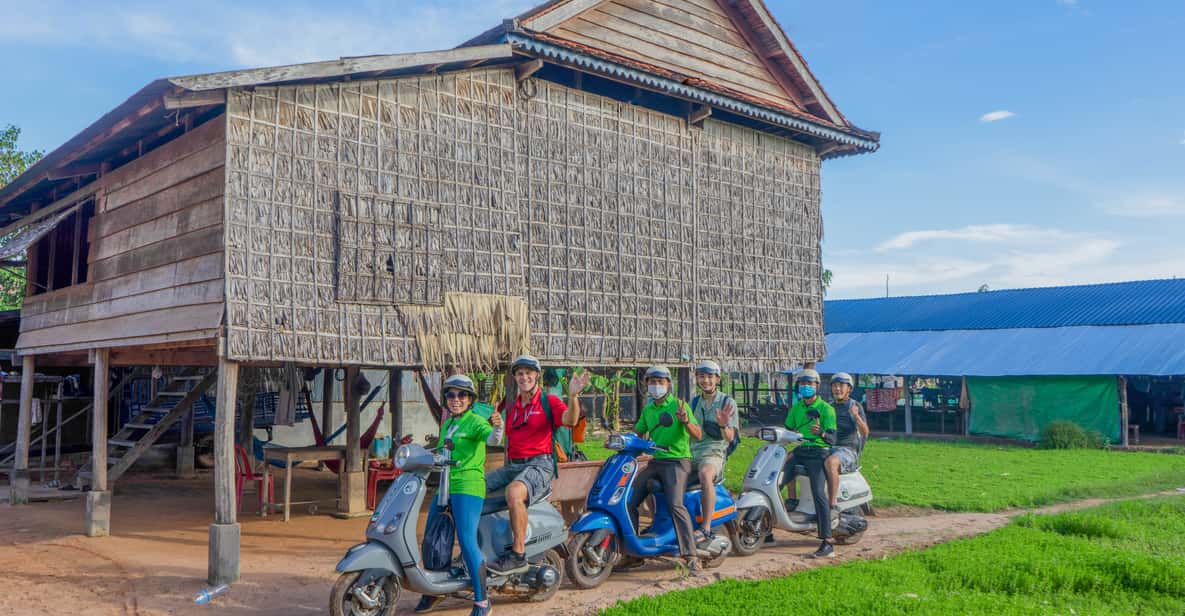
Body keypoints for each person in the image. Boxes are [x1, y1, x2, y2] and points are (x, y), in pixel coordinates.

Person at [485, 354, 586, 576]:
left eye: (529, 373)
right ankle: (478, 548)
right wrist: (496, 425)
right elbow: (497, 438)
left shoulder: (549, 401)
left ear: (537, 375)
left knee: (514, 493)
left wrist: (573, 395)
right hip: (514, 466)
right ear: (515, 377)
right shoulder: (512, 407)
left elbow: (570, 420)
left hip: (540, 464)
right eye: (520, 373)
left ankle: (518, 555)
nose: (524, 377)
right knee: (473, 486)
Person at [416, 375, 502, 616]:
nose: (456, 399)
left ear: (470, 399)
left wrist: (498, 426)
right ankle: (434, 590)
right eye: (451, 395)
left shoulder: (475, 421)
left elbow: (492, 438)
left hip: (467, 485)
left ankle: (483, 602)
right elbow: (442, 452)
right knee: (432, 536)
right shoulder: (447, 424)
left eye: (462, 395)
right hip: (445, 485)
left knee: (466, 540)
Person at [628, 366, 704, 571]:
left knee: (675, 505)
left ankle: (691, 554)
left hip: (677, 461)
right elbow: (637, 432)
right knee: (629, 500)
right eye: (652, 381)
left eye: (660, 381)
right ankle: (633, 552)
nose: (656, 385)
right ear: (646, 384)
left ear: (669, 384)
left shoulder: (679, 405)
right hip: (656, 461)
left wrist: (685, 421)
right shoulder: (648, 410)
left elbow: (697, 434)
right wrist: (622, 439)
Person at [780, 368, 838, 558]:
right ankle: (767, 528)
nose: (806, 386)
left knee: (818, 492)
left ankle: (827, 541)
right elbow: (787, 430)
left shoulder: (826, 409)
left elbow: (832, 439)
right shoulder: (796, 408)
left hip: (818, 452)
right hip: (800, 450)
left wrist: (821, 432)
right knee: (776, 481)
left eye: (809, 383)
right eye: (803, 383)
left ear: (817, 386)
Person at [689, 360, 738, 546]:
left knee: (705, 474)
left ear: (717, 379)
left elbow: (730, 437)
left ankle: (706, 527)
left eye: (710, 376)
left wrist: (724, 425)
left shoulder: (727, 402)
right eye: (702, 376)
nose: (706, 380)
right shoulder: (694, 402)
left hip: (714, 453)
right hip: (692, 452)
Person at [825, 373, 869, 509]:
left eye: (841, 386)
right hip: (828, 447)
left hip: (847, 450)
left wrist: (856, 416)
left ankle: (832, 505)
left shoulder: (854, 406)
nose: (837, 389)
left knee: (831, 462)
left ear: (849, 388)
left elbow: (865, 432)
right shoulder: (828, 407)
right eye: (834, 386)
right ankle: (793, 501)